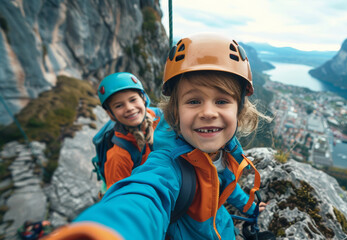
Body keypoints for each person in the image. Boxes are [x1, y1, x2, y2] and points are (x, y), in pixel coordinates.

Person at [44, 33, 271, 240]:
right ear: (175, 112)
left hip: (221, 227)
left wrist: (250, 208)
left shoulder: (224, 149)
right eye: (193, 101)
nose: (208, 113)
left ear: (239, 109)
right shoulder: (167, 163)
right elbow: (144, 194)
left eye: (222, 101)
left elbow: (225, 182)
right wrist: (107, 231)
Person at [97, 72, 160, 191]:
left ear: (144, 99)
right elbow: (118, 198)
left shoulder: (165, 120)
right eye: (119, 105)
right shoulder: (118, 156)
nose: (129, 108)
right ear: (111, 114)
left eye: (133, 99)